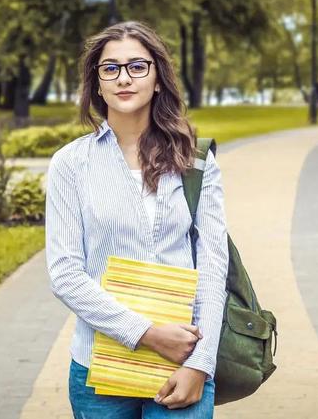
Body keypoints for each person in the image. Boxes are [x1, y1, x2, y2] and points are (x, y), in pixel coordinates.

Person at [45, 21, 228, 419]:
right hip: (100, 365)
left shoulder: (196, 162)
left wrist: (201, 364)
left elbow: (214, 267)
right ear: (96, 83)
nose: (123, 78)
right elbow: (64, 274)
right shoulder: (71, 165)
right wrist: (146, 333)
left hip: (183, 360)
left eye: (137, 66)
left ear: (158, 78)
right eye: (110, 68)